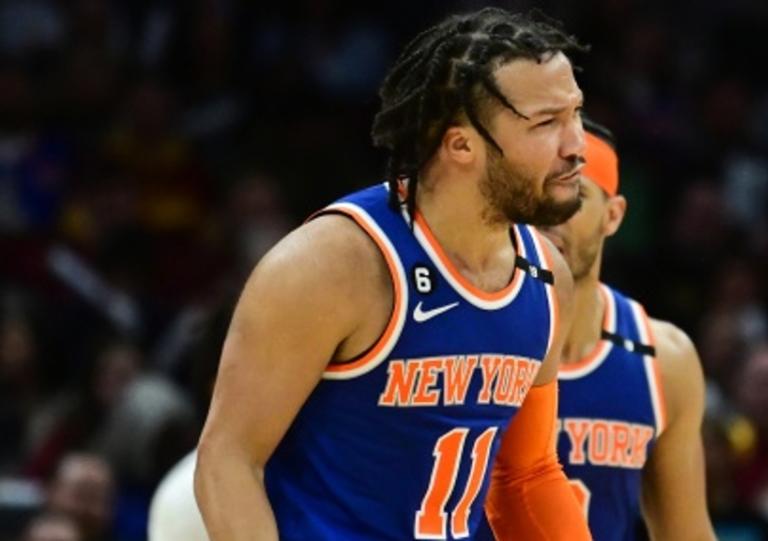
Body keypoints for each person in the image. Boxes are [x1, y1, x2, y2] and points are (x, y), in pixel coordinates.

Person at [195, 7, 592, 541]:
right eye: (547, 123)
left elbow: (526, 477)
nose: (576, 146)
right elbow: (228, 461)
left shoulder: (546, 277)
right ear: (460, 145)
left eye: (576, 114)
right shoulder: (336, 264)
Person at [539, 120, 714, 539]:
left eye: (573, 195)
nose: (548, 214)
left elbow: (684, 532)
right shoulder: (463, 336)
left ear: (612, 216)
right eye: (536, 193)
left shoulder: (663, 358)